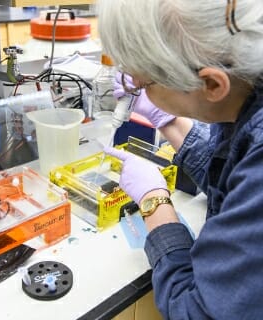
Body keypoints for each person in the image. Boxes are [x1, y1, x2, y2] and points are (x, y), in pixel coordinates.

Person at [97, 0, 263, 319]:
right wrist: (168, 120)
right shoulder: (247, 90)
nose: (133, 88)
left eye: (141, 83)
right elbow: (232, 180)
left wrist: (155, 202)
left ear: (212, 84)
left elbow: (197, 311)